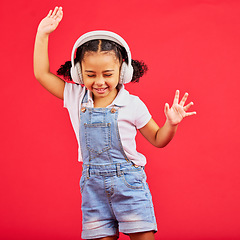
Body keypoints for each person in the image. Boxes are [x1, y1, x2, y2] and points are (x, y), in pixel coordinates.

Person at [33, 6, 196, 240]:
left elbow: (159, 140)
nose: (99, 82)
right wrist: (43, 34)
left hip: (129, 186)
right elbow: (41, 74)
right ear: (78, 73)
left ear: (123, 70)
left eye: (107, 74)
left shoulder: (133, 104)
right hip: (93, 189)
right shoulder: (75, 96)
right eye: (90, 74)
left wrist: (172, 124)